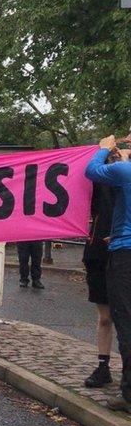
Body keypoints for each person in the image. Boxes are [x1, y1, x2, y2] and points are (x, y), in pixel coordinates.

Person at [85, 134, 131, 410]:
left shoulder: (124, 171)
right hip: (118, 241)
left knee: (125, 321)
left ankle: (128, 394)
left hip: (125, 254)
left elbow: (90, 170)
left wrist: (102, 150)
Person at [85, 175, 117, 388]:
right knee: (105, 317)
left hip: (123, 251)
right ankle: (103, 365)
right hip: (98, 253)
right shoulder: (98, 177)